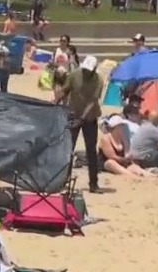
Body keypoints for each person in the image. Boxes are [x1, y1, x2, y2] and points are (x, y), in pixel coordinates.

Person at [56, 55, 104, 193]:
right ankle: (62, 182)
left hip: (89, 118)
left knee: (91, 151)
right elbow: (65, 91)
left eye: (89, 70)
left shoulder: (98, 80)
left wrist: (81, 119)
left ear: (94, 69)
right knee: (68, 149)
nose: (86, 72)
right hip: (73, 114)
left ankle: (93, 184)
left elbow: (93, 101)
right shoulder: (74, 75)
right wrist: (55, 103)